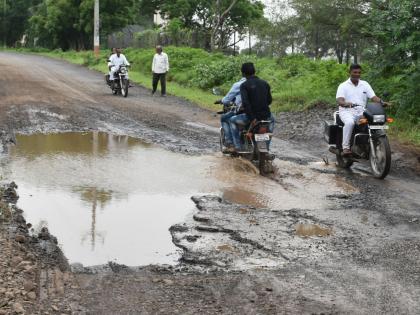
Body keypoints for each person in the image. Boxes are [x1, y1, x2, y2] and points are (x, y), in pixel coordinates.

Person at [336, 64, 385, 156]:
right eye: (355, 72)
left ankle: (369, 144)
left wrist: (382, 102)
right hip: (347, 111)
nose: (357, 74)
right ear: (349, 72)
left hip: (361, 111)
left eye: (359, 72)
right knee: (350, 123)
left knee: (372, 122)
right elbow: (340, 100)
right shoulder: (343, 86)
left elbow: (373, 97)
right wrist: (345, 103)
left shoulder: (365, 84)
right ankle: (345, 147)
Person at [229, 63, 274, 152]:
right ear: (254, 71)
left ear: (243, 73)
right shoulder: (265, 83)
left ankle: (237, 146)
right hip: (266, 116)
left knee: (231, 120)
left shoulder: (244, 85)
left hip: (252, 118)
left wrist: (252, 118)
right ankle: (266, 148)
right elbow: (269, 101)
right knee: (271, 122)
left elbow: (246, 103)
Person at [215, 77, 246, 152]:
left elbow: (227, 99)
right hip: (263, 114)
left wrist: (221, 100)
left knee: (225, 118)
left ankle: (231, 144)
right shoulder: (260, 84)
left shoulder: (239, 85)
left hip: (245, 113)